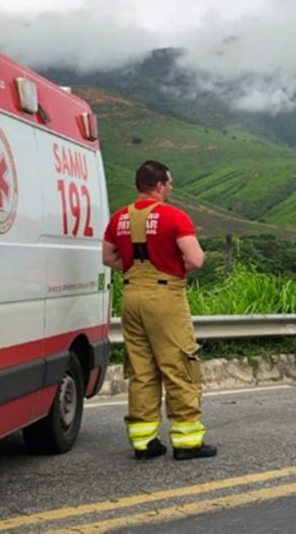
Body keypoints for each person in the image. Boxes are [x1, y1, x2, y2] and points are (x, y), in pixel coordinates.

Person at [102, 160, 217, 460]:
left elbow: (108, 258)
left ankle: (144, 441)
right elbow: (195, 260)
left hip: (131, 296)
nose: (170, 188)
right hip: (165, 297)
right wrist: (169, 268)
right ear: (160, 185)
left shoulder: (118, 219)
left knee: (141, 369)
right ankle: (187, 441)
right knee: (180, 365)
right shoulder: (173, 217)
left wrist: (134, 268)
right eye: (169, 184)